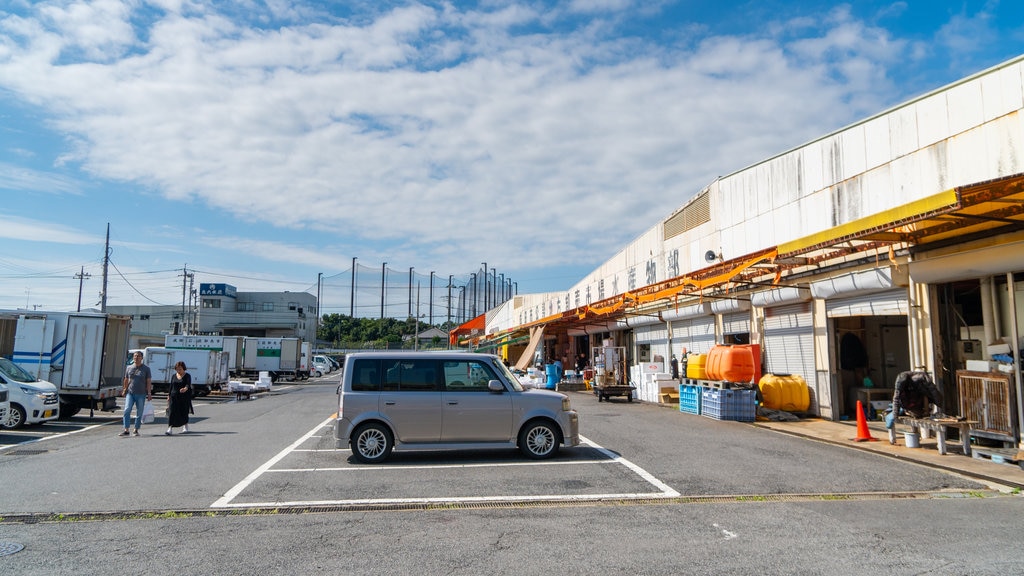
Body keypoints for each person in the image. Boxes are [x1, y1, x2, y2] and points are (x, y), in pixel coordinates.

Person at [121, 351, 152, 437]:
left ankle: (136, 429)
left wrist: (149, 393)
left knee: (139, 412)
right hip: (130, 393)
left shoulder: (146, 369)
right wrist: (124, 389)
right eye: (135, 356)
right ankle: (126, 429)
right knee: (127, 410)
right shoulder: (129, 368)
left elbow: (148, 381)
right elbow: (126, 379)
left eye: (138, 356)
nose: (136, 358)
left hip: (141, 394)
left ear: (142, 358)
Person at [165, 361, 194, 435]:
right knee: (172, 412)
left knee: (184, 411)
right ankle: (170, 428)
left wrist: (185, 388)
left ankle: (185, 426)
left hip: (184, 397)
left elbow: (188, 384)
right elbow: (171, 386)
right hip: (174, 396)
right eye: (177, 369)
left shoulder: (187, 376)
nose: (179, 370)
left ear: (183, 368)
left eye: (180, 369)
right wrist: (169, 395)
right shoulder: (174, 376)